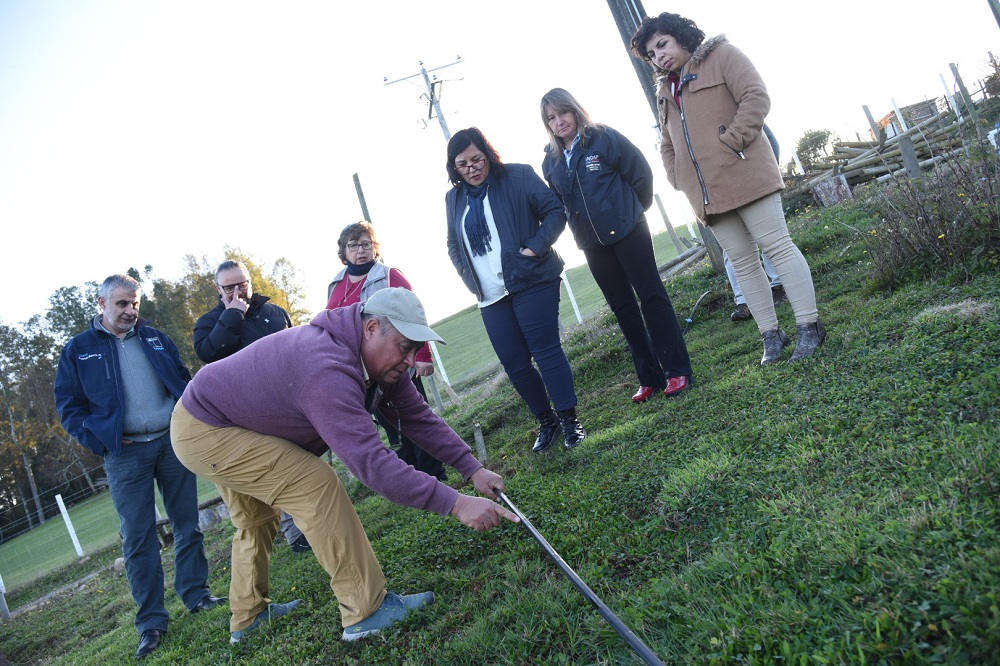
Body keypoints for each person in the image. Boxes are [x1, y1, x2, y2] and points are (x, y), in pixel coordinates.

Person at [170, 288, 518, 644]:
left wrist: (472, 468)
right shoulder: (326, 367)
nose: (411, 360)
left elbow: (416, 417)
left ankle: (248, 616)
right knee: (313, 483)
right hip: (205, 426)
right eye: (404, 346)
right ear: (371, 329)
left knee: (256, 517)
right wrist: (457, 503)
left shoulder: (378, 363)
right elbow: (371, 464)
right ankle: (365, 610)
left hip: (219, 415)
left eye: (416, 350)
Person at [631, 13, 826, 365]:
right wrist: (678, 175)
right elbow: (666, 141)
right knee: (743, 262)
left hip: (746, 172)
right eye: (652, 53)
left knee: (778, 247)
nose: (659, 56)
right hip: (706, 193)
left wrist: (733, 141)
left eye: (663, 44)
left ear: (681, 37)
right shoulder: (665, 90)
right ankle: (771, 336)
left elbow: (756, 97)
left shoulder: (723, 56)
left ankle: (809, 326)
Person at [54, 274, 226, 660]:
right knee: (138, 539)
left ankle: (196, 596)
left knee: (187, 525)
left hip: (171, 442)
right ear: (101, 304)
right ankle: (151, 622)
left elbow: (182, 381)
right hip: (125, 454)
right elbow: (69, 407)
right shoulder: (78, 350)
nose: (130, 310)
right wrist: (102, 442)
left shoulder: (155, 338)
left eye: (135, 303)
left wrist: (188, 420)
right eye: (122, 304)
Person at [539, 88, 693, 404]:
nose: (559, 122)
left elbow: (641, 174)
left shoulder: (603, 138)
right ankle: (649, 377)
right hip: (592, 244)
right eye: (551, 118)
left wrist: (632, 212)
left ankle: (677, 369)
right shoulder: (551, 163)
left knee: (651, 297)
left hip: (629, 231)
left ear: (575, 110)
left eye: (562, 113)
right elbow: (558, 204)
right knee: (623, 309)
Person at [445, 127, 586, 451]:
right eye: (463, 164)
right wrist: (468, 276)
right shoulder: (453, 199)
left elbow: (554, 211)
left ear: (488, 155)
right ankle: (546, 421)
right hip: (491, 295)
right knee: (515, 364)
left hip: (532, 280)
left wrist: (535, 248)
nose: (472, 168)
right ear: (454, 167)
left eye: (477, 159)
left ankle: (569, 420)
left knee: (546, 351)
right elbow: (453, 242)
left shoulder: (518, 176)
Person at [193, 260, 311, 553]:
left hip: (291, 400)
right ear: (218, 289)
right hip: (249, 412)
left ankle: (312, 521)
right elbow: (209, 353)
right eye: (229, 287)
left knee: (307, 462)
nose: (237, 291)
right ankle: (296, 534)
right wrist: (233, 315)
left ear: (250, 281)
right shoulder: (209, 323)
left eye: (242, 284)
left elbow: (296, 347)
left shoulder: (274, 312)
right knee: (278, 468)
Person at [326, 222, 446, 480]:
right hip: (364, 370)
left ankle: (434, 473)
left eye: (366, 244)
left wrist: (422, 356)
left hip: (400, 360)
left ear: (375, 248)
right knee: (390, 424)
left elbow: (415, 317)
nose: (361, 250)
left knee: (415, 416)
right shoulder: (336, 285)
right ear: (344, 251)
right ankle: (411, 477)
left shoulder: (390, 275)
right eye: (354, 245)